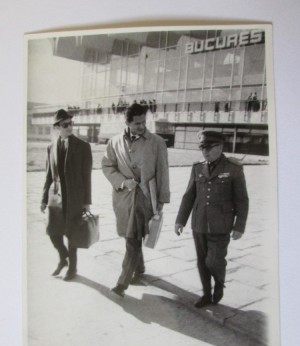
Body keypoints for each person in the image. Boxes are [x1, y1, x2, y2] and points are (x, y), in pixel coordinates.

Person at [102, 103, 170, 297]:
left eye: (144, 122)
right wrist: (123, 182)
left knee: (132, 239)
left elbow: (163, 171)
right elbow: (107, 166)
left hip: (146, 199)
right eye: (137, 123)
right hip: (123, 199)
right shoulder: (114, 142)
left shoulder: (157, 142)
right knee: (130, 236)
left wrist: (162, 200)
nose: (142, 126)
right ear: (127, 122)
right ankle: (139, 268)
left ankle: (122, 284)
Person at [175, 130, 249, 308]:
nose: (205, 152)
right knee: (202, 262)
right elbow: (189, 196)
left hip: (221, 224)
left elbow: (242, 199)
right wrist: (180, 220)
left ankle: (220, 282)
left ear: (220, 147)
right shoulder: (197, 167)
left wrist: (239, 226)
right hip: (199, 223)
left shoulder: (233, 168)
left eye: (209, 148)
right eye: (202, 148)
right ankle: (207, 294)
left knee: (214, 260)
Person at [40, 109, 93, 281]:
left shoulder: (83, 147)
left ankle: (73, 268)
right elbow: (48, 175)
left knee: (72, 234)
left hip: (75, 198)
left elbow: (87, 177)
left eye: (71, 123)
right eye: (65, 125)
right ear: (57, 128)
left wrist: (87, 201)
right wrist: (43, 199)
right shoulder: (50, 147)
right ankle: (63, 258)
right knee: (53, 232)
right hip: (55, 198)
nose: (70, 127)